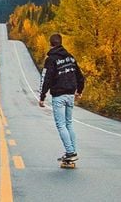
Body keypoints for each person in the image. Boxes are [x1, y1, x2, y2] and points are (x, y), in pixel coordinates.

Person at [38, 33, 85, 163]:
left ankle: (70, 152)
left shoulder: (51, 60)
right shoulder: (71, 58)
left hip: (59, 95)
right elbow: (80, 76)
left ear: (50, 43)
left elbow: (46, 78)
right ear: (61, 42)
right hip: (70, 95)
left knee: (61, 125)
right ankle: (72, 151)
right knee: (69, 123)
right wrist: (79, 91)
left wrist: (42, 96)